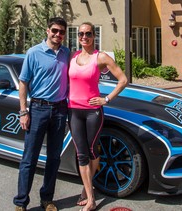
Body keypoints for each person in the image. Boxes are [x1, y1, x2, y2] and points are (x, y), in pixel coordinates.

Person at [68, 22, 128, 211]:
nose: (84, 37)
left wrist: (106, 99)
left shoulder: (100, 57)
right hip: (73, 111)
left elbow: (123, 79)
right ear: (77, 36)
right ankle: (90, 196)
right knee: (81, 154)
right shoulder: (73, 56)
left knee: (93, 151)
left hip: (93, 112)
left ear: (94, 36)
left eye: (88, 33)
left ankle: (88, 189)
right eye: (81, 34)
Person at [13, 17, 70, 211]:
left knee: (54, 158)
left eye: (61, 32)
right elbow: (23, 82)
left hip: (60, 110)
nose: (57, 34)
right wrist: (23, 111)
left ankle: (47, 199)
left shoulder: (66, 53)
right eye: (54, 30)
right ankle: (21, 202)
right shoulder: (34, 53)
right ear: (47, 30)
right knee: (30, 158)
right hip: (38, 109)